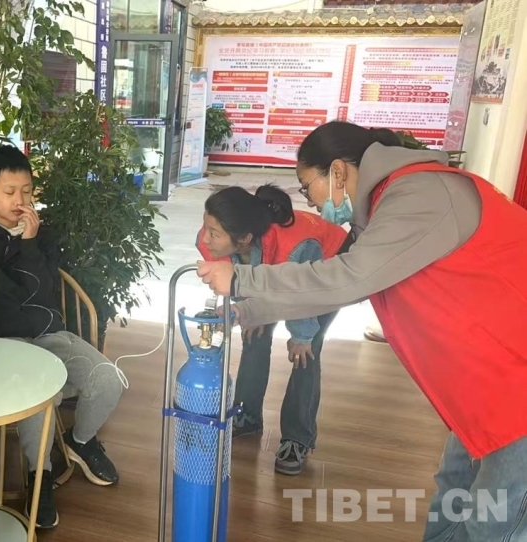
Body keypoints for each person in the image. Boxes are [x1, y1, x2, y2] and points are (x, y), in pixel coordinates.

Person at [196, 120, 527, 541]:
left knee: (493, 520)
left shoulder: (421, 194)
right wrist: (247, 311)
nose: (313, 204)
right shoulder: (388, 205)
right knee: (455, 487)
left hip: (516, 379)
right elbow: (350, 287)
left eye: (307, 188)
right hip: (487, 379)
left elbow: (347, 279)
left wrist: (243, 281)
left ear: (337, 172)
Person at [0, 145, 123, 529]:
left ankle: (80, 441)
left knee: (108, 378)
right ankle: (39, 476)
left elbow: (45, 294)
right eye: (10, 192)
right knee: (37, 392)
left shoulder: (40, 235)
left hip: (48, 335)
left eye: (26, 191)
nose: (19, 200)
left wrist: (28, 244)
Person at [197, 184, 348, 475]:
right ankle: (247, 415)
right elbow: (233, 277)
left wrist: (301, 335)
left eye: (214, 233)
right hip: (280, 275)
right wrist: (249, 310)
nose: (205, 238)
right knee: (255, 334)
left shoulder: (297, 247)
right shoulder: (217, 240)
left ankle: (297, 437)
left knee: (306, 352)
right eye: (206, 227)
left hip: (327, 273)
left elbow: (305, 295)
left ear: (244, 238)